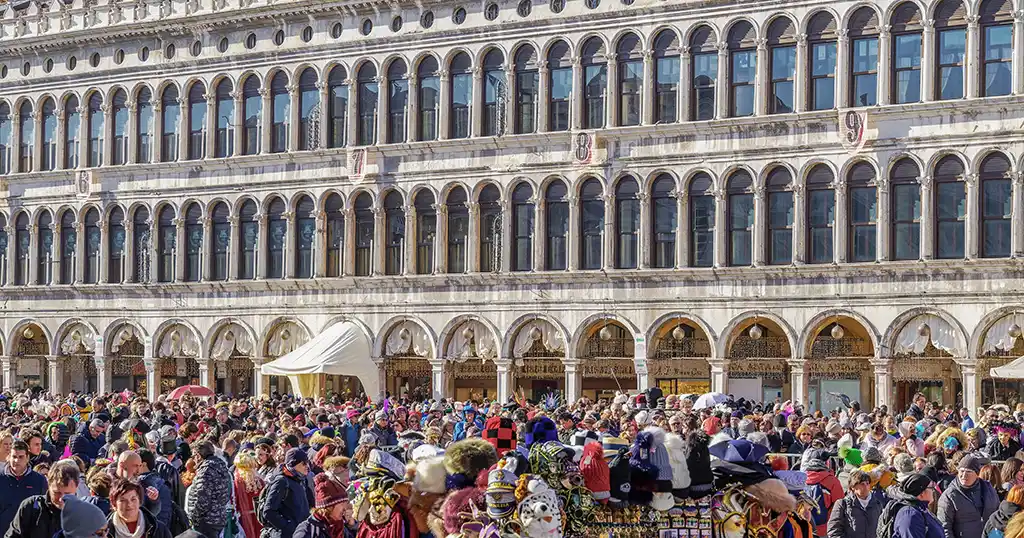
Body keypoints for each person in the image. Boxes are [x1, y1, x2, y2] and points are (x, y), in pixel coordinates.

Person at [5, 462, 80, 538]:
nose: (61, 499)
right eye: (57, 493)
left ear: (77, 488)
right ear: (48, 485)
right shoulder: (30, 506)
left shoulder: (85, 514)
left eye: (67, 494)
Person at [937, 454, 1000, 538]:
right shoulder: (949, 496)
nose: (964, 475)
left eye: (968, 472)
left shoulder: (988, 489)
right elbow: (944, 527)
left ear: (977, 474)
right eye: (961, 471)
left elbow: (998, 514)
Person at [260, 448, 312, 538]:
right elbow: (268, 511)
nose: (307, 466)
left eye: (308, 463)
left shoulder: (301, 480)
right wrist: (288, 526)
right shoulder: (282, 481)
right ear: (293, 464)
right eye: (304, 463)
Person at [184, 440, 232, 538]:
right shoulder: (221, 466)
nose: (193, 459)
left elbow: (202, 500)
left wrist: (194, 517)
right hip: (218, 517)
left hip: (206, 521)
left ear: (198, 455)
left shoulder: (206, 470)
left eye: (193, 456)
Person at [0, 440, 48, 535]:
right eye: (14, 457)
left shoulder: (39, 481)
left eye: (21, 457)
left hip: (28, 532)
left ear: (27, 457)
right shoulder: (1, 478)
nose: (16, 461)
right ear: (9, 457)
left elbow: (44, 509)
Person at [827, 470, 883, 538]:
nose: (865, 487)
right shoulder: (842, 504)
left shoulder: (877, 504)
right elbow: (833, 531)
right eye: (862, 484)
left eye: (867, 483)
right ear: (853, 487)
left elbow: (881, 529)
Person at [107, 478, 172, 538]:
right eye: (123, 500)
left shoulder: (158, 529)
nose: (129, 504)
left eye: (133, 499)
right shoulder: (104, 531)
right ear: (114, 503)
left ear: (139, 501)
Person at [885, 473, 943, 538]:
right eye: (931, 488)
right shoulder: (910, 514)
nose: (933, 491)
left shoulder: (921, 509)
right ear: (922, 493)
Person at [233, 450, 265, 538]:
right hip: (259, 517)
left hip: (243, 519)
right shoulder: (260, 481)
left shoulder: (237, 482)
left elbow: (234, 502)